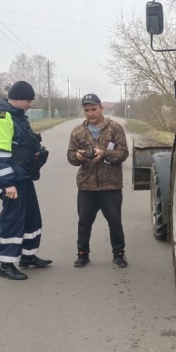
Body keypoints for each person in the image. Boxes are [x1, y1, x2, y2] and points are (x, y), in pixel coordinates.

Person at [0, 80, 52, 280]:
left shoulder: (17, 115)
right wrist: (8, 184)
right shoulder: (1, 117)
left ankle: (28, 257)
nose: (30, 104)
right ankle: (6, 263)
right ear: (19, 98)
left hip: (23, 175)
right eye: (29, 100)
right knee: (13, 219)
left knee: (31, 216)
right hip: (13, 179)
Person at [67, 93, 129, 268]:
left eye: (93, 109)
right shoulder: (78, 131)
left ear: (101, 108)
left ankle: (119, 254)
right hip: (86, 185)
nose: (90, 113)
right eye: (86, 110)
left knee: (115, 222)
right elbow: (70, 156)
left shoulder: (114, 128)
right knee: (84, 222)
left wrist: (104, 153)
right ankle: (82, 254)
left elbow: (123, 153)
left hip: (111, 185)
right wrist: (77, 156)